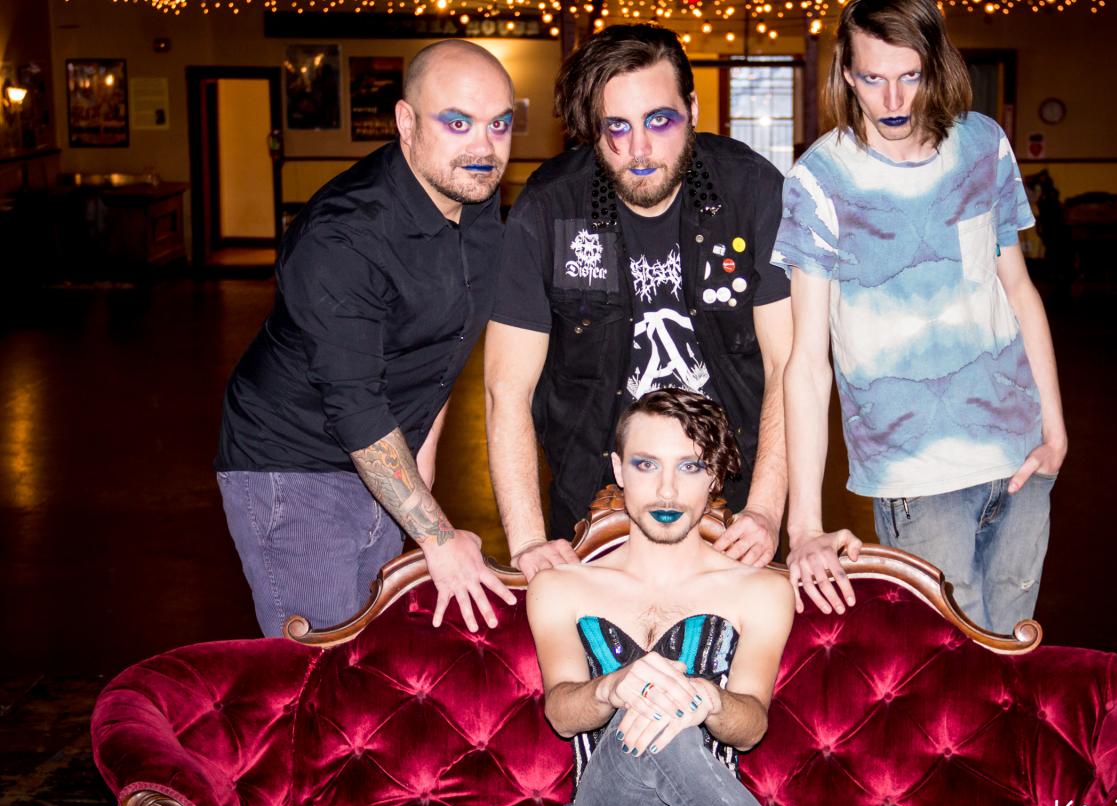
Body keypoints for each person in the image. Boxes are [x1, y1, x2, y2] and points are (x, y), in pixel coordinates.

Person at [775, 0, 1067, 634]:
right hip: (912, 471)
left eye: (910, 75)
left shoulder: (983, 145)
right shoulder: (820, 181)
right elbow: (807, 364)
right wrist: (804, 525)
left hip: (1019, 456)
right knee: (953, 666)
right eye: (873, 78)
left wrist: (1055, 430)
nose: (893, 99)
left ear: (936, 66)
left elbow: (1019, 290)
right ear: (847, 74)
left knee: (1016, 657)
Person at [215, 41, 517, 636]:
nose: (484, 148)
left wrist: (420, 477)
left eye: (499, 124)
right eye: (458, 123)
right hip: (293, 465)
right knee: (323, 659)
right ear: (406, 122)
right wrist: (437, 535)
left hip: (384, 456)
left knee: (369, 651)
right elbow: (355, 406)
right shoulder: (342, 236)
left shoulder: (473, 197)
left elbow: (443, 349)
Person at [485, 24, 793, 579]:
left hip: (737, 504)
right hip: (592, 507)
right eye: (617, 128)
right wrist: (528, 539)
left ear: (692, 109)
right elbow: (506, 388)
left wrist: (767, 510)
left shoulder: (749, 191)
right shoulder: (551, 207)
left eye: (660, 120)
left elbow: (786, 363)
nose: (640, 149)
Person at [526, 389, 793, 806]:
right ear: (618, 470)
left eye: (689, 467)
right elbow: (561, 716)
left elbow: (751, 729)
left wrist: (709, 699)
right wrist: (611, 688)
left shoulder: (761, 591)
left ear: (713, 477)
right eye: (646, 465)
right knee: (655, 714)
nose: (667, 490)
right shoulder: (560, 586)